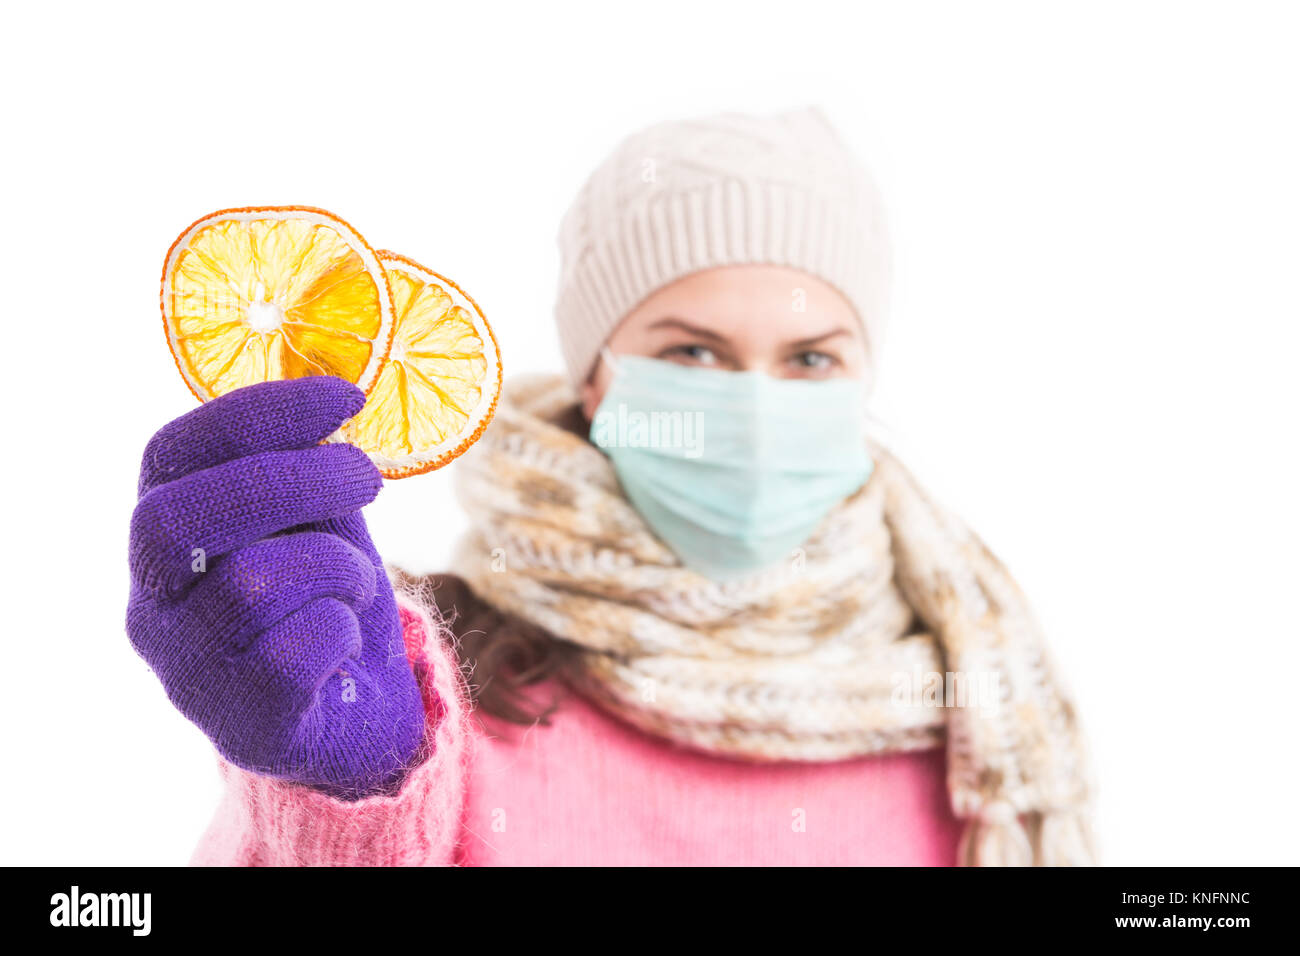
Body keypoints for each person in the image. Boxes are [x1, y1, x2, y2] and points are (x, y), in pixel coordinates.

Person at [126, 108, 1094, 866]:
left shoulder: (965, 696)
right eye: (690, 351)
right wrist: (333, 803)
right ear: (594, 378)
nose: (754, 405)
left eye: (809, 357)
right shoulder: (433, 689)